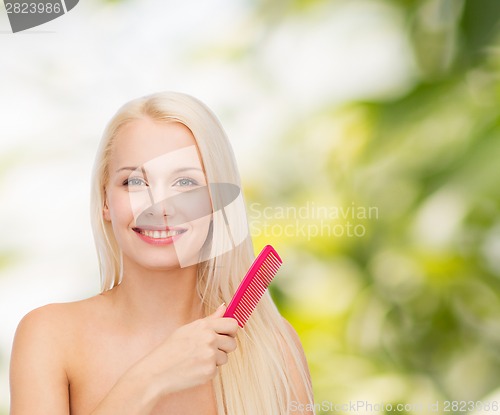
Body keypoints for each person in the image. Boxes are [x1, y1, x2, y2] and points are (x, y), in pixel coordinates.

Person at [9, 92, 314, 414]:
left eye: (185, 182)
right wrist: (151, 378)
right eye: (135, 181)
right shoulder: (50, 336)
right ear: (105, 201)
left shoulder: (272, 346)